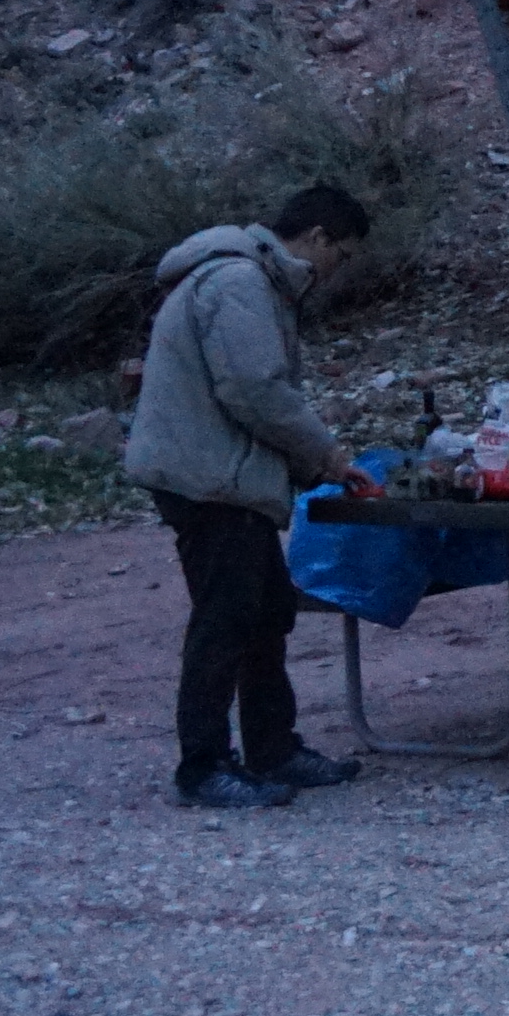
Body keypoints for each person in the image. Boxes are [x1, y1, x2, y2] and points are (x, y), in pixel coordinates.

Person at [123, 185, 383, 808]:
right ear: (318, 236)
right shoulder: (240, 282)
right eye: (340, 254)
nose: (336, 270)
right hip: (207, 481)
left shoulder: (247, 278)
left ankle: (274, 748)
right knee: (227, 618)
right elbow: (254, 391)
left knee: (266, 613)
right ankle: (203, 765)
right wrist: (324, 453)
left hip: (223, 477)